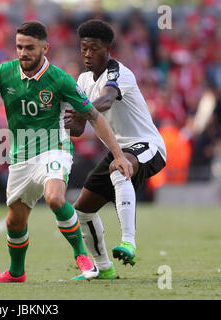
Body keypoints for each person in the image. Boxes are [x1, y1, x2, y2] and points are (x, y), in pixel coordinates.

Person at [0, 20, 133, 283]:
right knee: (14, 222)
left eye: (30, 47)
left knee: (55, 198)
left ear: (45, 48)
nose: (23, 53)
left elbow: (94, 115)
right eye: (19, 47)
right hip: (20, 158)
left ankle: (81, 256)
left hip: (54, 150)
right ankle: (16, 273)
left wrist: (119, 155)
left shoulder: (60, 79)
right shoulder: (4, 72)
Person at [64, 20, 167, 280]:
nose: (87, 54)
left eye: (94, 48)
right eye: (83, 48)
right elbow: (78, 128)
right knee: (82, 211)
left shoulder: (120, 73)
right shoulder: (83, 80)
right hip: (117, 149)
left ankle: (129, 243)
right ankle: (104, 268)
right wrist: (69, 122)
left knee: (119, 168)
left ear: (108, 48)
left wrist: (83, 110)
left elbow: (107, 100)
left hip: (148, 146)